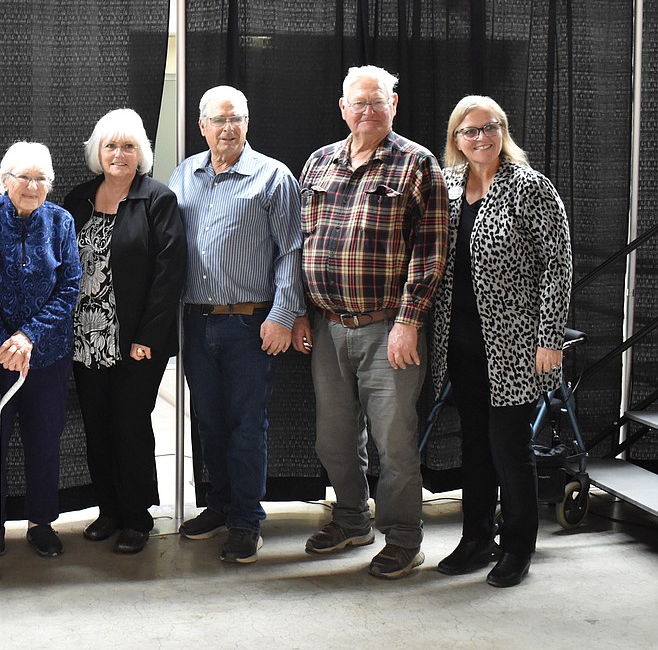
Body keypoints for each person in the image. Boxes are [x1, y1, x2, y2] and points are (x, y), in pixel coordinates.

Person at [291, 65, 447, 579]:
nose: (367, 112)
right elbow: (300, 245)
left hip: (389, 330)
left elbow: (430, 255)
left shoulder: (418, 164)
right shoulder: (318, 163)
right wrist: (299, 313)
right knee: (333, 440)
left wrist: (408, 323)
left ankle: (404, 538)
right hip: (328, 326)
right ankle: (353, 520)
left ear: (394, 104)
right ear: (342, 108)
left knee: (395, 444)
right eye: (357, 103)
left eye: (377, 102)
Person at [431, 95, 572, 587]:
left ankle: (517, 548)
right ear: (456, 139)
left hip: (514, 345)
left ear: (503, 131)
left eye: (490, 127)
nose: (481, 137)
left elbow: (559, 264)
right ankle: (475, 538)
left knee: (509, 447)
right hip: (461, 341)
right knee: (473, 445)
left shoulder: (530, 188)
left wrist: (549, 339)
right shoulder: (448, 186)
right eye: (469, 131)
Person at [168, 86, 304, 564]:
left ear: (248, 123)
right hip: (195, 322)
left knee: (248, 424)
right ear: (202, 125)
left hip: (250, 326)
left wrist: (282, 316)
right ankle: (220, 506)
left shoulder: (273, 177)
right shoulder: (184, 175)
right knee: (209, 422)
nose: (229, 128)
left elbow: (292, 251)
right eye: (219, 120)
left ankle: (246, 519)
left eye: (237, 119)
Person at [62, 109, 186, 554]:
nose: (119, 154)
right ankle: (109, 510)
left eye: (129, 146)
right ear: (98, 152)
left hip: (136, 341)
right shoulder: (77, 199)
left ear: (142, 154)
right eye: (111, 146)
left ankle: (137, 515)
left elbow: (169, 275)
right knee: (96, 426)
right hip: (83, 338)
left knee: (130, 426)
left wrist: (147, 338)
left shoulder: (158, 199)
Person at [0, 141, 81, 558]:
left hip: (47, 354)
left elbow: (68, 289)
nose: (33, 185)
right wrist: (2, 344)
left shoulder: (62, 221)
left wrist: (29, 336)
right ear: (4, 181)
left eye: (41, 178)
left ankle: (41, 522)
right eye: (23, 177)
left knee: (44, 440)